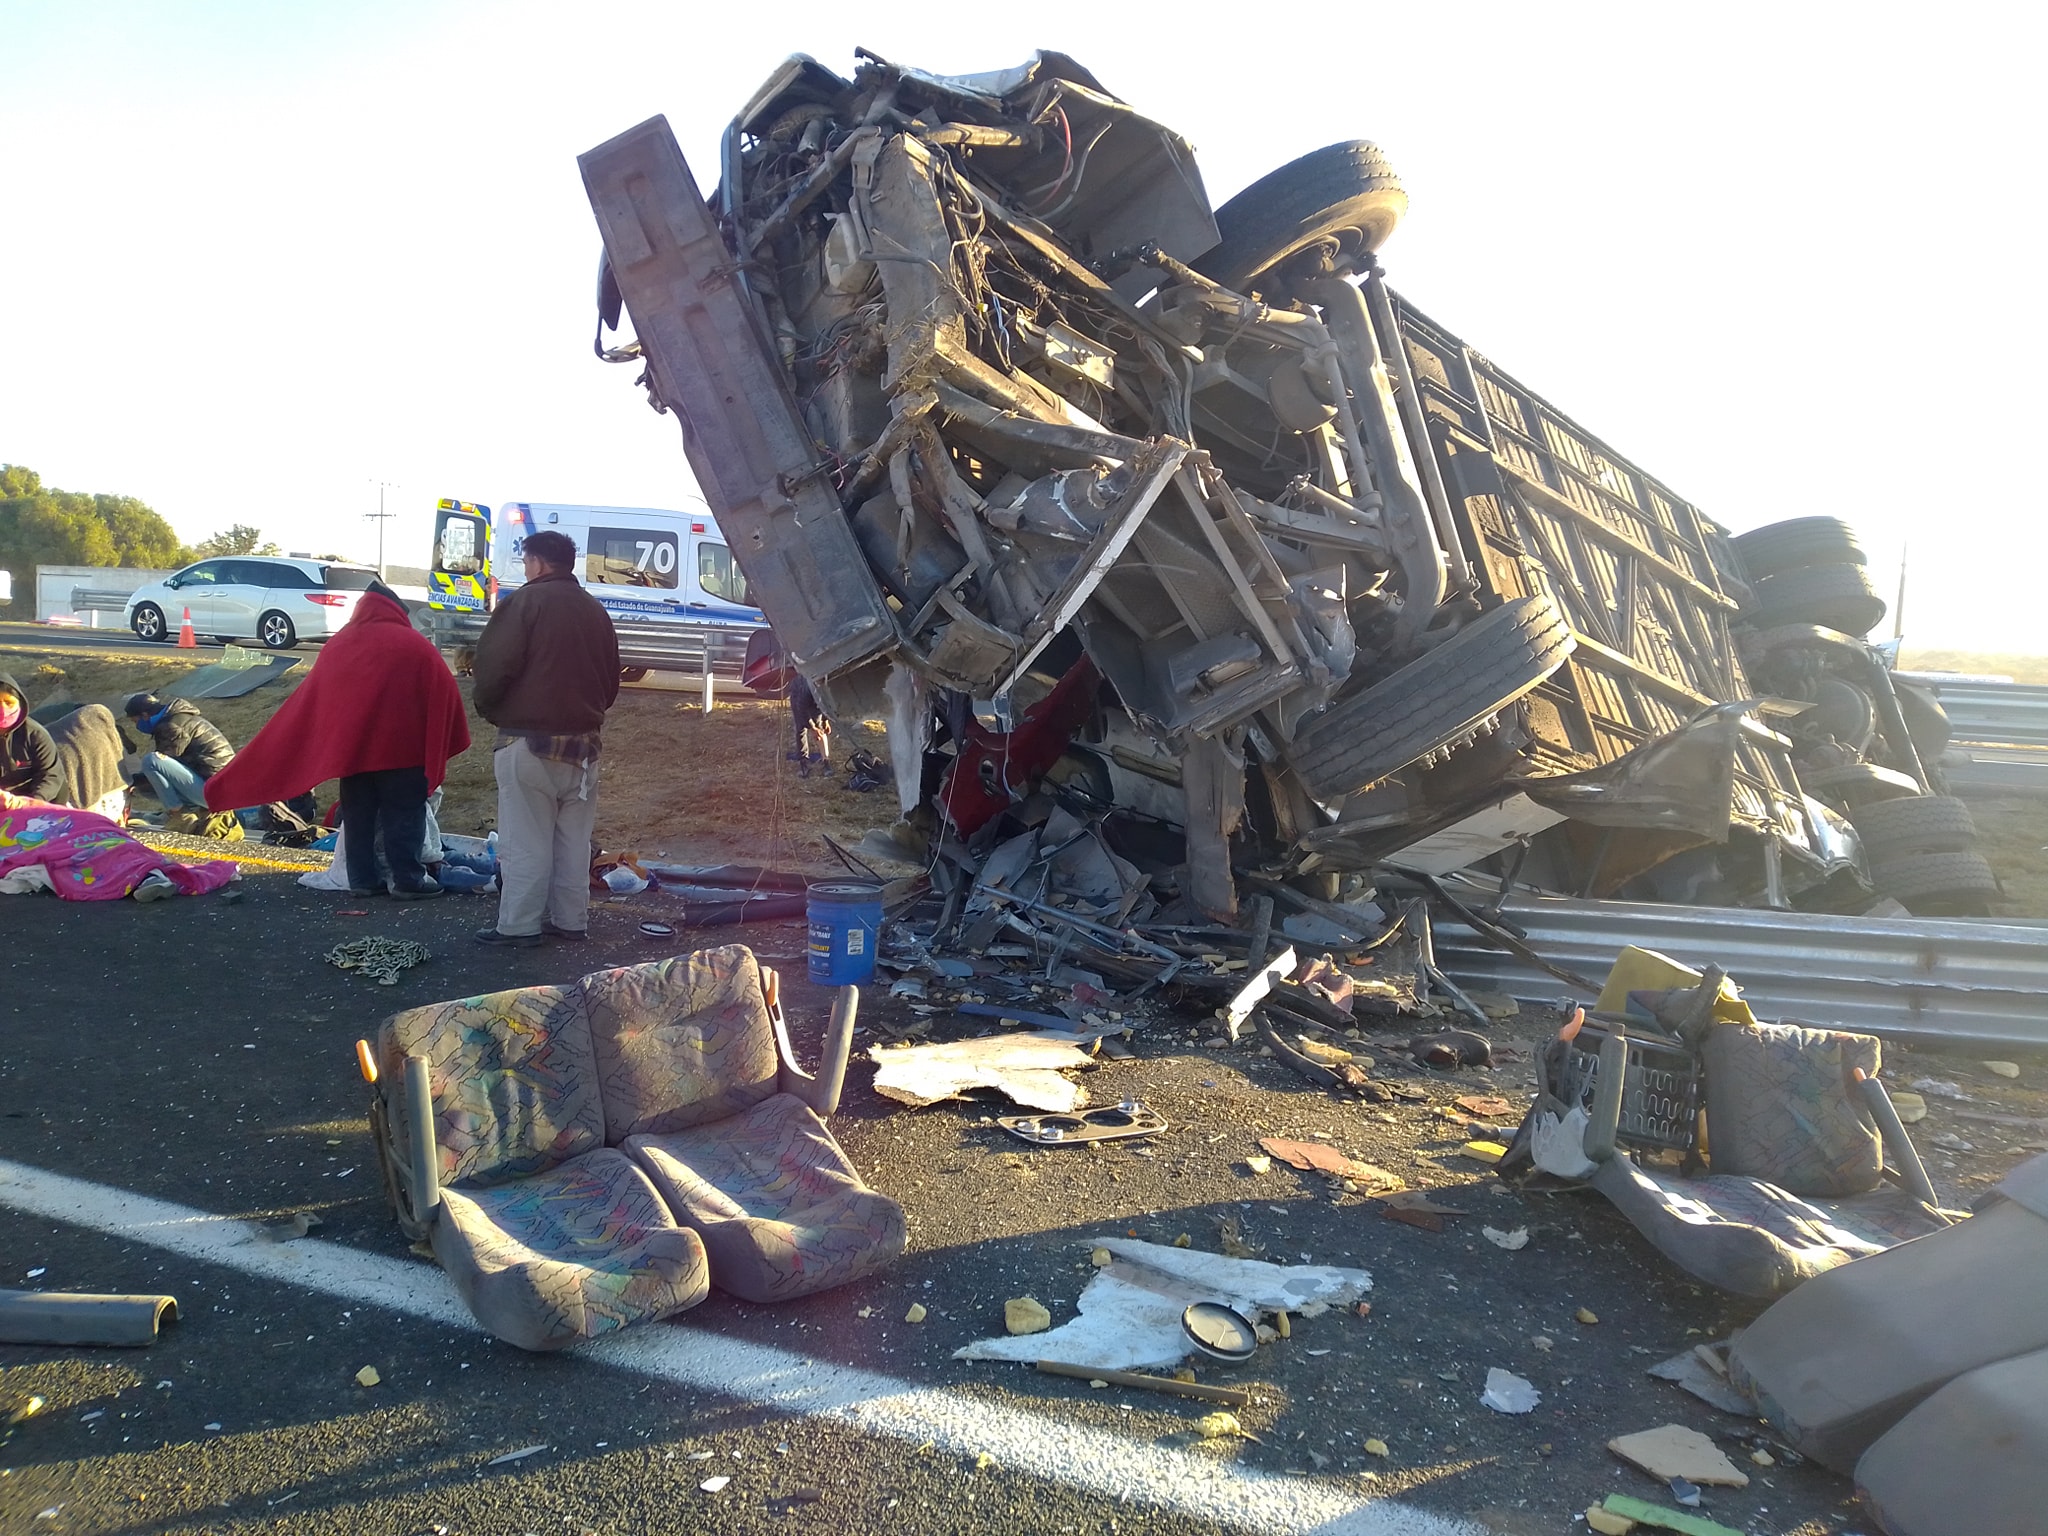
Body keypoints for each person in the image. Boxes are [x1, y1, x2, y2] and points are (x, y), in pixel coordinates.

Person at [203, 581, 470, 898]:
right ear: (397, 611)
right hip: (404, 752)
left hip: (354, 754)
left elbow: (315, 702)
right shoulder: (414, 644)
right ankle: (407, 880)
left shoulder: (339, 645)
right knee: (404, 814)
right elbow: (445, 694)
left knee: (358, 816)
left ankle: (361, 881)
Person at [470, 528, 619, 946]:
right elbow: (611, 682)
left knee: (525, 839)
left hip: (529, 741)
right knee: (573, 843)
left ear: (535, 563)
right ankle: (571, 921)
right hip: (585, 747)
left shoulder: (524, 602)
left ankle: (519, 926)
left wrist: (492, 710)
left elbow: (493, 670)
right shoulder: (594, 610)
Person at [123, 692, 236, 813]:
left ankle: (179, 814)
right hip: (220, 785)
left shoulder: (173, 726)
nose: (137, 726)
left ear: (144, 715)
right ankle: (194, 810)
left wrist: (129, 782)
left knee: (151, 761)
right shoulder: (177, 719)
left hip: (218, 791)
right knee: (146, 788)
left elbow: (163, 762)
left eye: (135, 722)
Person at [0, 673, 61, 801]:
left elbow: (50, 775)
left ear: (20, 704)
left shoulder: (35, 735)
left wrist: (33, 803)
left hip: (33, 796)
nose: (2, 710)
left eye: (9, 702)